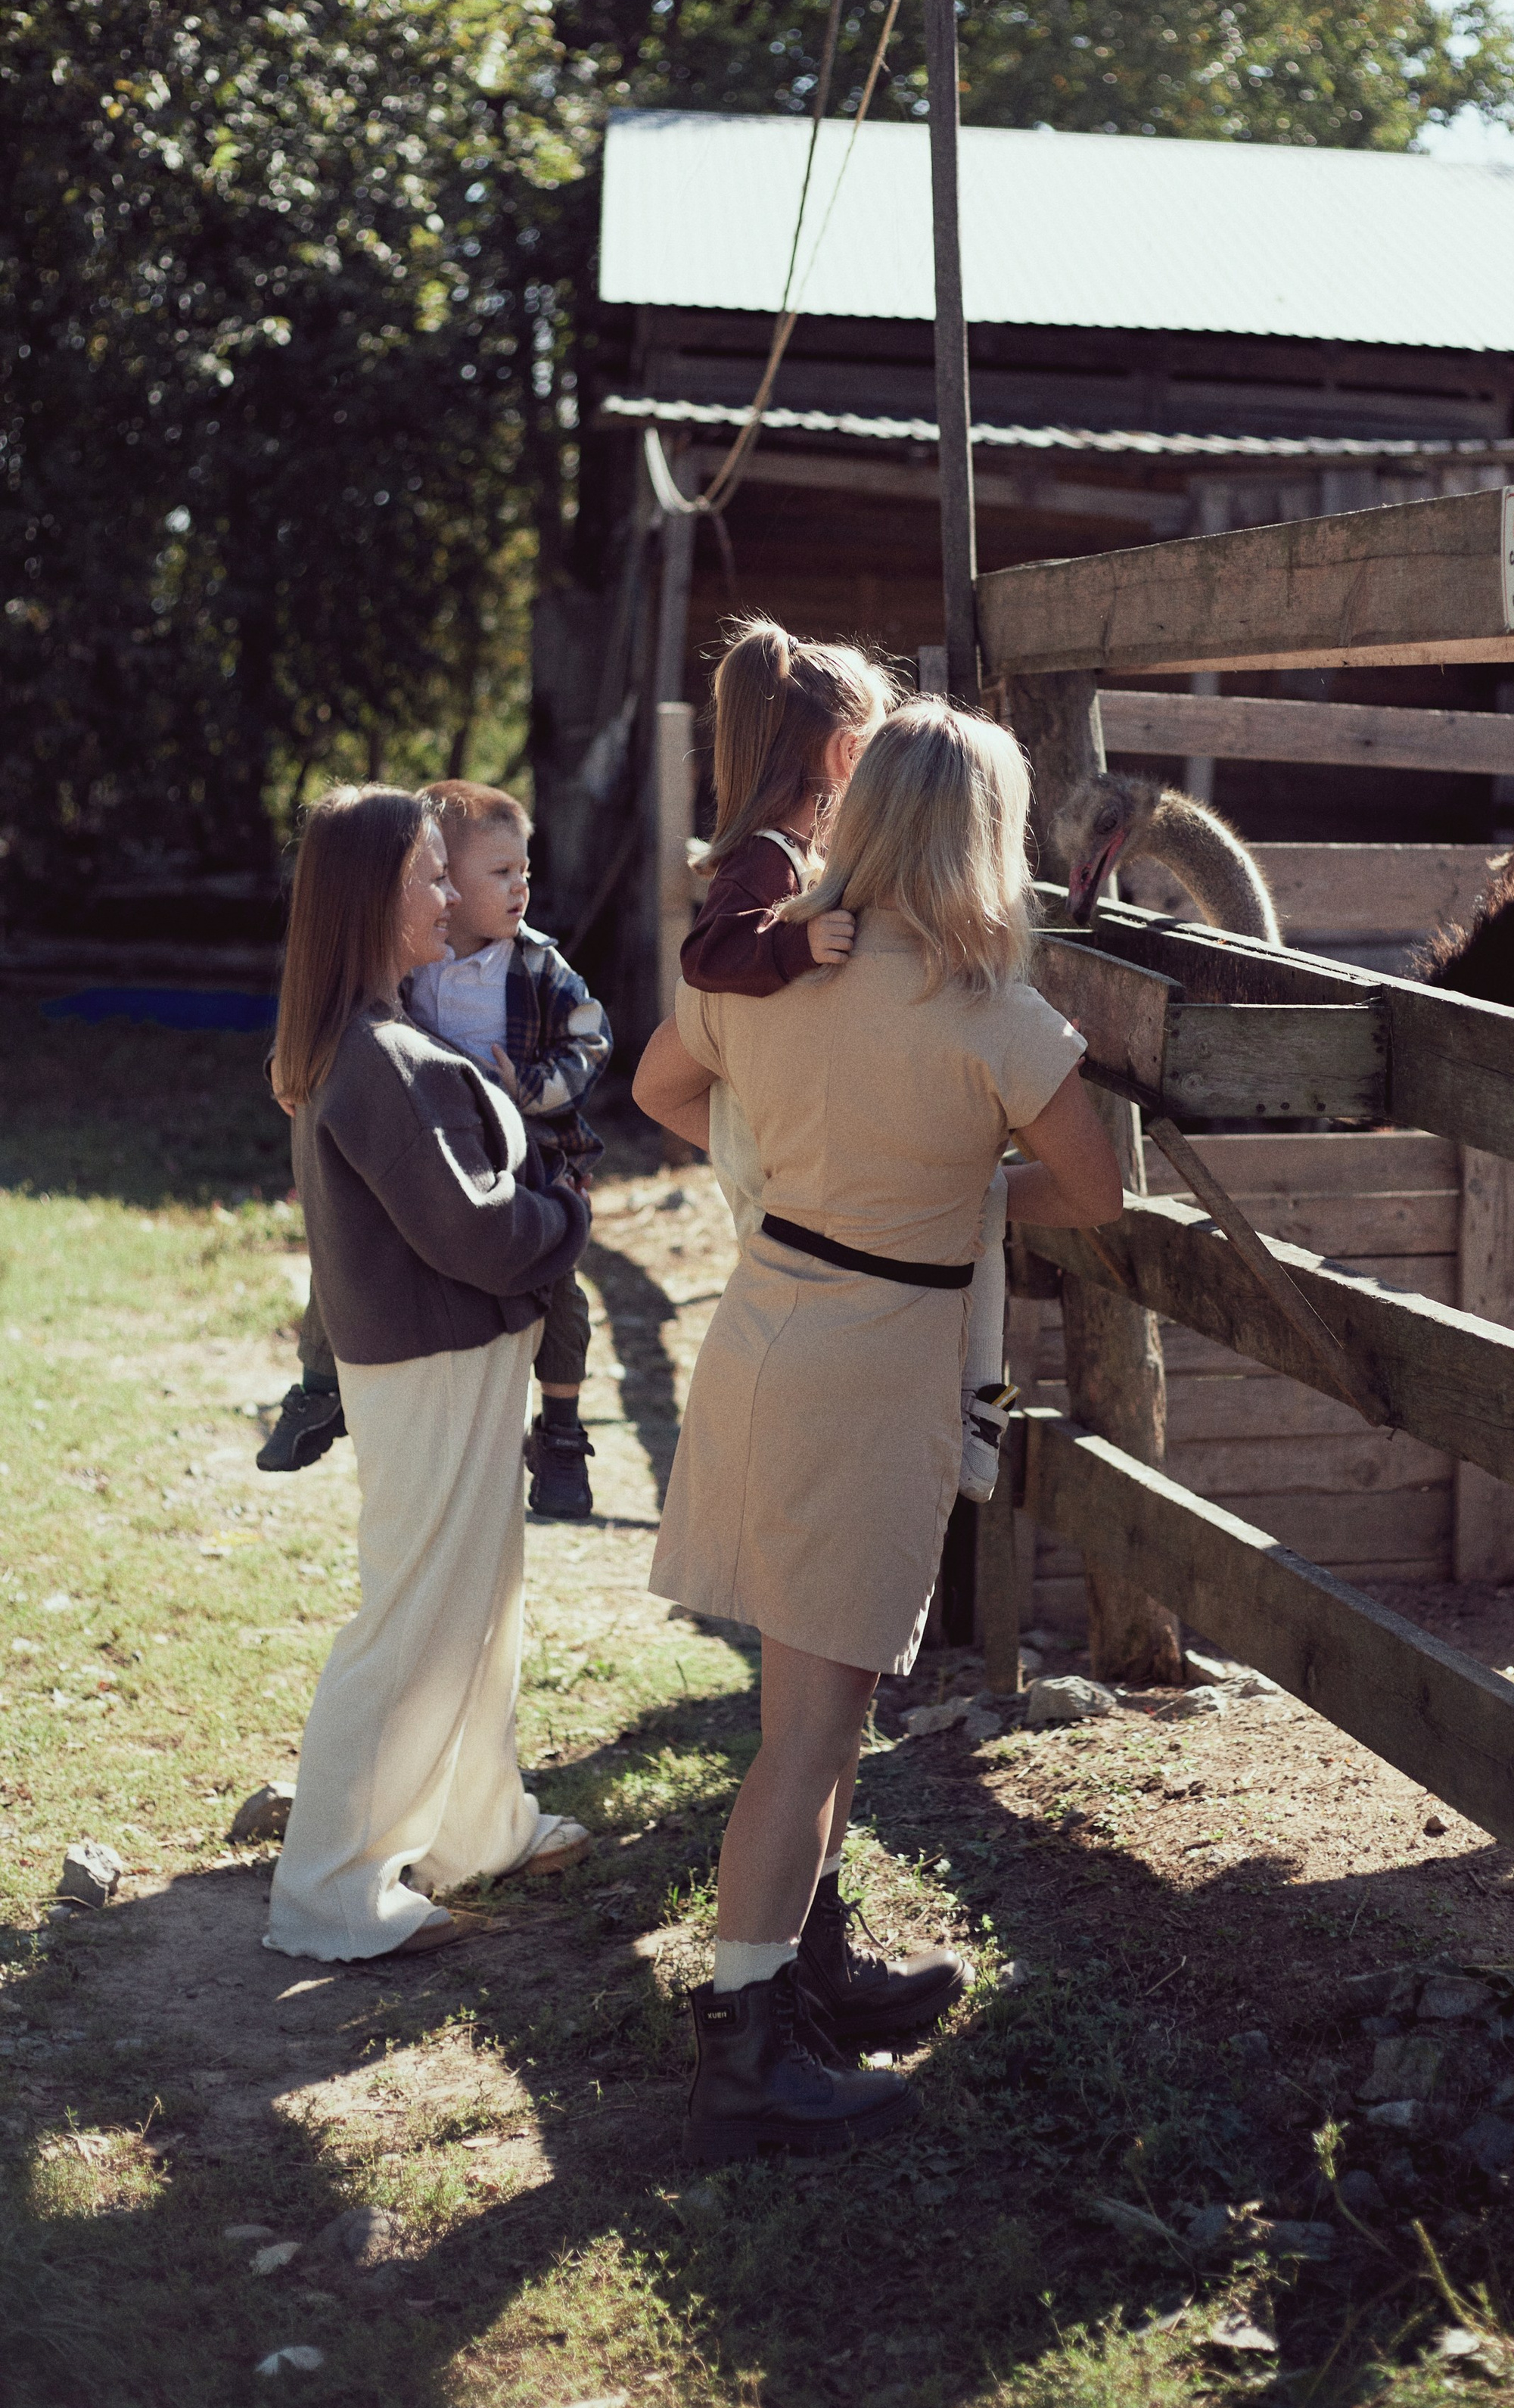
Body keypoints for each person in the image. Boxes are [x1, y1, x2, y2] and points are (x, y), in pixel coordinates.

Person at [634, 703, 1124, 2162]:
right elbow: (1094, 1195)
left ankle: (798, 1977)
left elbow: (663, 1088)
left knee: (818, 1715)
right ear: (984, 834)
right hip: (877, 1366)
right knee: (809, 1732)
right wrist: (963, 1188)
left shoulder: (775, 967)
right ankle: (744, 2050)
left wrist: (796, 1163)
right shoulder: (997, 1018)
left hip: (767, 1320)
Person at [263, 785, 592, 1962]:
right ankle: (328, 1889)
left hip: (449, 1361)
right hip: (433, 1365)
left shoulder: (370, 1042)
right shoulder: (382, 1059)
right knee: (412, 1618)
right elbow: (473, 1234)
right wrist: (567, 1217)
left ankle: (476, 1826)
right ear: (374, 898)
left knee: (479, 1601)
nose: (452, 895)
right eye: (430, 876)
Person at [681, 620, 1015, 1500]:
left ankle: (975, 1402)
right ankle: (972, 1409)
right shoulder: (764, 862)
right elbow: (704, 956)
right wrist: (796, 946)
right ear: (842, 754)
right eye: (876, 741)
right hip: (772, 1135)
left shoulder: (808, 862)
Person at [259, 780, 613, 1525]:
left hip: (529, 1155)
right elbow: (350, 1019)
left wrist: (536, 1088)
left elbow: (591, 1039)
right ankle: (318, 1387)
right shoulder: (409, 976)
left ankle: (560, 1430)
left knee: (564, 1302)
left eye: (525, 874)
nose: (517, 889)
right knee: (335, 1270)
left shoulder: (537, 967)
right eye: (472, 875)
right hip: (444, 1165)